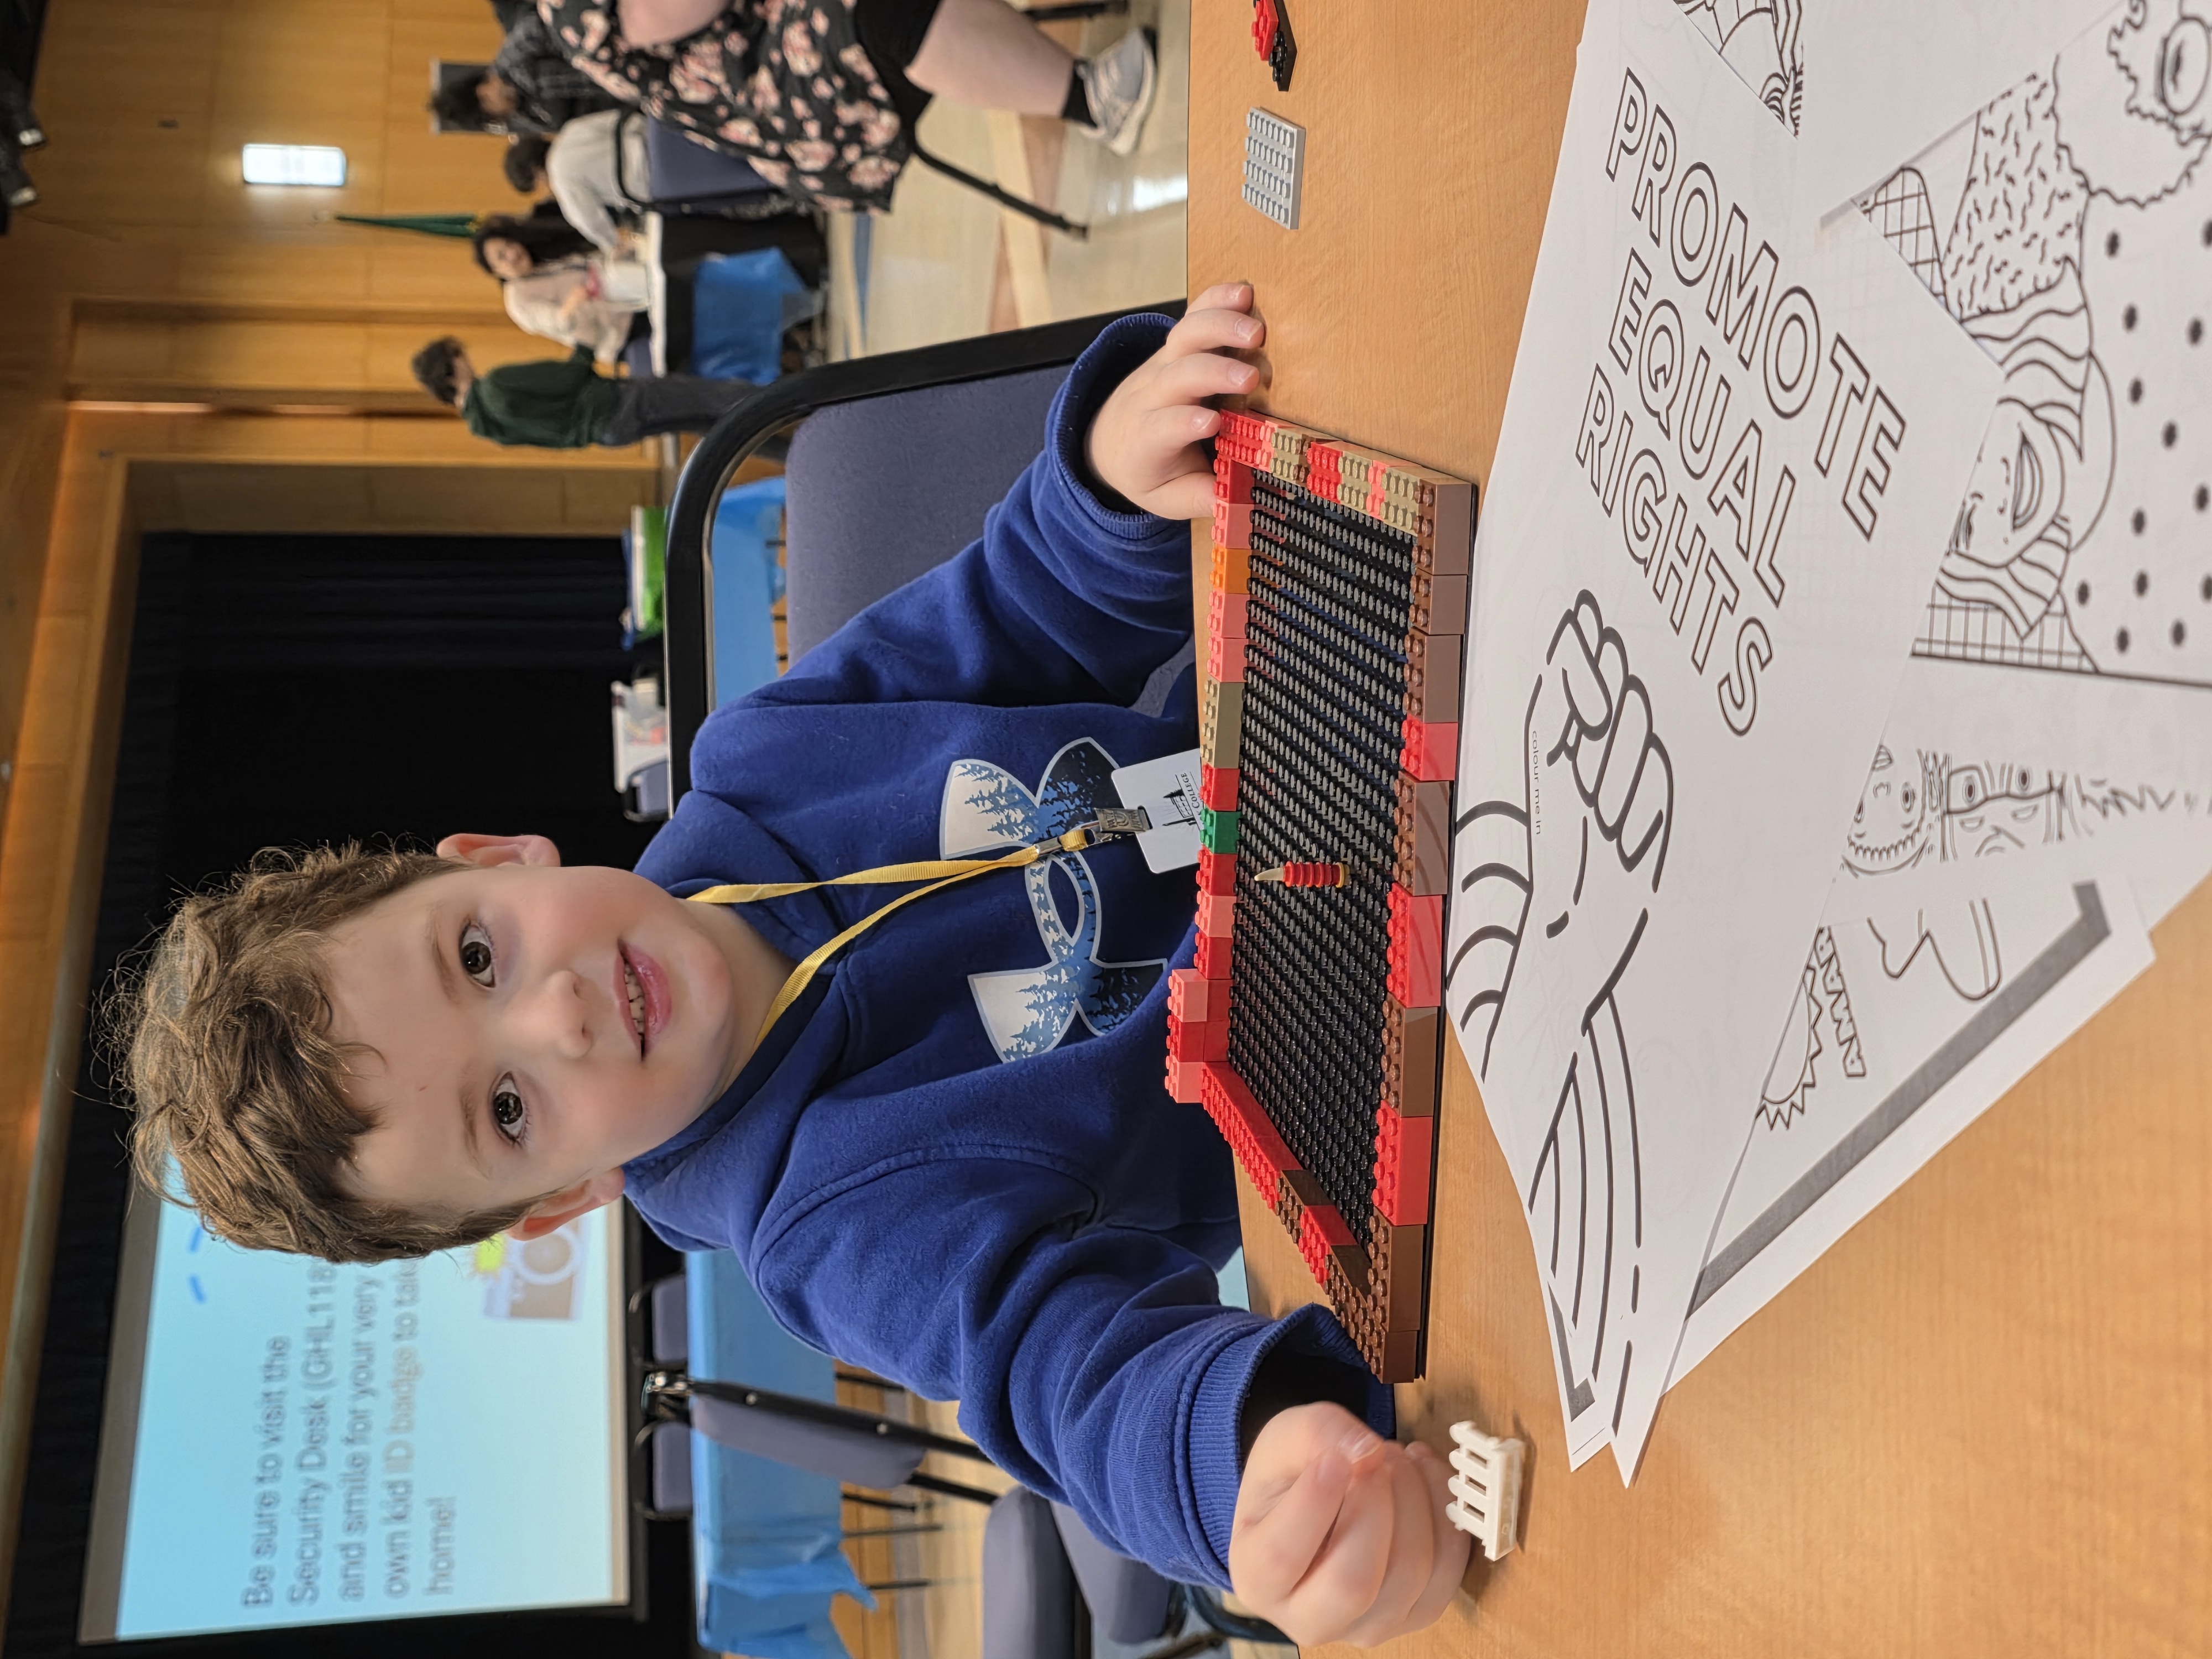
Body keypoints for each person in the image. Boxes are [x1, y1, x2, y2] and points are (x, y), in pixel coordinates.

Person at [120, 288, 1468, 1650]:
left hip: (1360, 708)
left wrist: (1103, 490)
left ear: (499, 855)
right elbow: (1059, 1369)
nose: (562, 1014)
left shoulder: (760, 760)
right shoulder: (830, 1229)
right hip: (1403, 1071)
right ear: (560, 1200)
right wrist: (1241, 1463)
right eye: (509, 1107)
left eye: (480, 954)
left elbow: (1020, 611)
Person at [538, 0, 1160, 210]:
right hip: (781, 92)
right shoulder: (567, 10)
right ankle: (1091, 101)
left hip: (779, 43)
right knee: (869, 10)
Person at [409, 335, 752, 448]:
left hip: (607, 433)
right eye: (458, 356)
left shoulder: (485, 427)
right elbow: (568, 376)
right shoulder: (496, 385)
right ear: (450, 371)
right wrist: (585, 340)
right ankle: (800, 399)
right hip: (617, 402)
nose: (466, 358)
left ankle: (786, 447)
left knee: (714, 428)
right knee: (715, 397)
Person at [472, 212, 648, 363]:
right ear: (496, 272)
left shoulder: (541, 258)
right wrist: (573, 302)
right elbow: (558, 322)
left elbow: (589, 264)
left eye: (509, 245)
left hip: (629, 296)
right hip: (620, 333)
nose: (512, 254)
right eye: (502, 256)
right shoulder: (518, 301)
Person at [429, 8, 622, 134]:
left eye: (491, 115)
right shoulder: (530, 116)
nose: (501, 118)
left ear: (483, 93)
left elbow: (562, 20)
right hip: (623, 101)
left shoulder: (520, 50)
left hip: (617, 50)